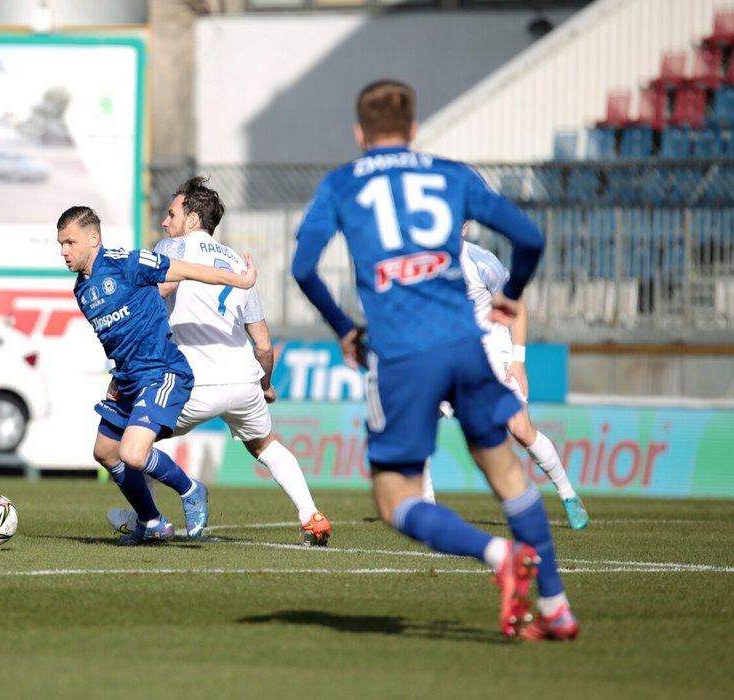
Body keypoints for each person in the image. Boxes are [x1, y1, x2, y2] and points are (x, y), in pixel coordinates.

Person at [290, 79, 578, 641]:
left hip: (401, 355)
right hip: (466, 347)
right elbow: (530, 237)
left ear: (359, 133)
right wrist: (511, 294)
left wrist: (345, 329)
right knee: (507, 474)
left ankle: (499, 555)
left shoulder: (343, 183)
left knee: (394, 497)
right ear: (415, 130)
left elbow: (303, 267)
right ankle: (556, 607)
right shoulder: (449, 174)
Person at [106, 176, 332, 546]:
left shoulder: (172, 246)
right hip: (242, 381)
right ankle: (312, 516)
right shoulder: (237, 266)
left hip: (191, 383)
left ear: (192, 220)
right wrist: (265, 385)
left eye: (171, 213)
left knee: (124, 442)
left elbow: (159, 292)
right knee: (265, 445)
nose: (165, 222)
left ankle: (144, 518)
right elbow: (263, 345)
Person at [57, 205, 257, 545]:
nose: (63, 252)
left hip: (162, 371)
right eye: (60, 244)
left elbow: (189, 270)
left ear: (93, 239)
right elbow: (119, 337)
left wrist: (241, 281)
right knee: (105, 451)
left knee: (132, 454)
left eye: (70, 243)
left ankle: (191, 489)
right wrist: (116, 379)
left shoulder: (127, 263)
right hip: (127, 379)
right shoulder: (81, 289)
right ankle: (151, 522)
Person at [422, 225, 590, 530]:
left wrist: (519, 360)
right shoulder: (424, 264)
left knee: (521, 429)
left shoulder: (482, 262)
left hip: (493, 354)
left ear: (464, 227)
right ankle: (429, 510)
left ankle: (568, 494)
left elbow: (518, 307)